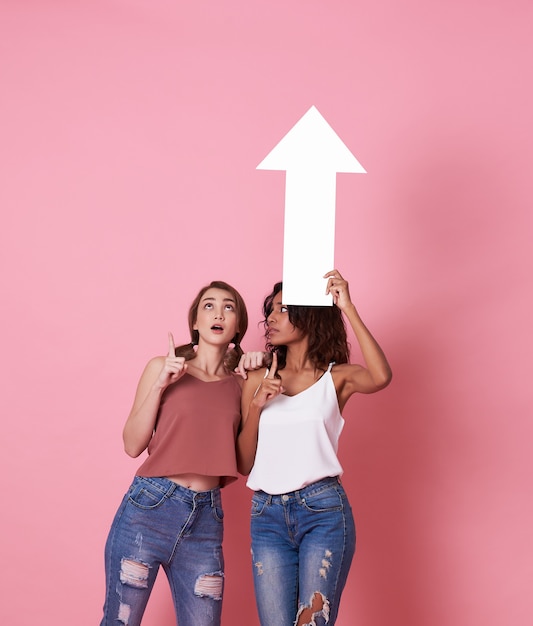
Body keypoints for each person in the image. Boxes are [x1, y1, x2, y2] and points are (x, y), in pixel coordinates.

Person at [237, 269, 392, 626]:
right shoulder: (258, 379)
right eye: (270, 311)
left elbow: (382, 376)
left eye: (282, 310)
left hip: (322, 512)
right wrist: (258, 405)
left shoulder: (337, 378)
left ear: (309, 315)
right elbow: (245, 463)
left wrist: (348, 307)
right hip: (267, 517)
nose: (271, 319)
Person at [101, 281, 248, 626]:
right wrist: (160, 385)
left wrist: (256, 380)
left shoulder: (241, 385)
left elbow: (245, 462)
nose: (218, 313)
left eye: (229, 307)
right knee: (120, 622)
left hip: (206, 522)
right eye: (208, 306)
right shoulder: (163, 368)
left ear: (238, 326)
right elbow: (132, 445)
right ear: (195, 322)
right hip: (148, 511)